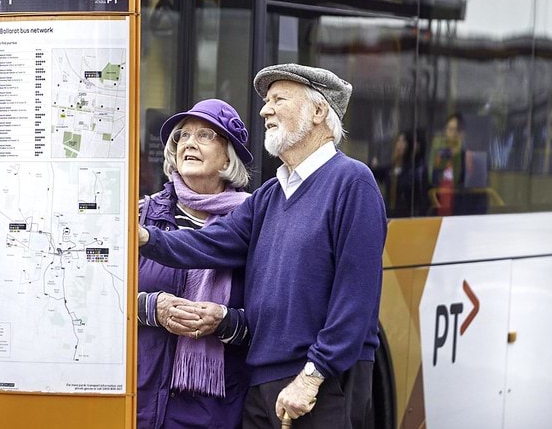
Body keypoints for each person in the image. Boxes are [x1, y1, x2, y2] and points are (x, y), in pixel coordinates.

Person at [139, 64, 387, 429]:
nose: (264, 110)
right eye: (266, 102)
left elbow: (357, 297)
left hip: (319, 384)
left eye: (278, 100)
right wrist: (144, 237)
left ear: (318, 112)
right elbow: (209, 243)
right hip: (262, 384)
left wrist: (312, 376)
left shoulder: (351, 181)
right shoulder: (270, 194)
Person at [137, 99, 253, 429]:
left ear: (229, 153)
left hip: (214, 411)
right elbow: (99, 301)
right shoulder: (142, 217)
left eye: (204, 135)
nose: (188, 142)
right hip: (142, 402)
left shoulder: (255, 223)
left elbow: (273, 322)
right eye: (182, 136)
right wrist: (150, 308)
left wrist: (226, 321)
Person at [374, 130, 428, 218]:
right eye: (398, 141)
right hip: (389, 215)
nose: (399, 145)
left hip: (406, 217)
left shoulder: (414, 169)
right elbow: (377, 172)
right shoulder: (392, 167)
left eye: (403, 141)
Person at [428, 112, 465, 216]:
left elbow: (460, 180)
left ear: (460, 133)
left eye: (452, 129)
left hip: (458, 211)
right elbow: (432, 177)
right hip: (438, 205)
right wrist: (448, 154)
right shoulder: (441, 153)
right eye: (447, 128)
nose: (448, 132)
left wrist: (457, 154)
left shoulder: (465, 156)